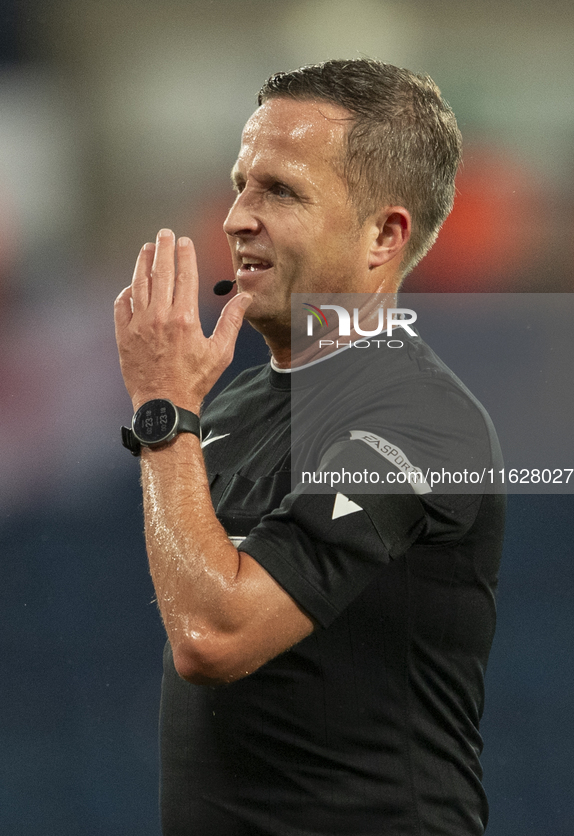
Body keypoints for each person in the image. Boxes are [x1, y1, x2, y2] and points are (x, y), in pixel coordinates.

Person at [114, 59, 505, 835]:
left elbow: (213, 636)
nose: (235, 218)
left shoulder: (419, 422)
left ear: (382, 235)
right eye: (240, 183)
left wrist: (161, 411)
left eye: (281, 190)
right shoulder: (237, 403)